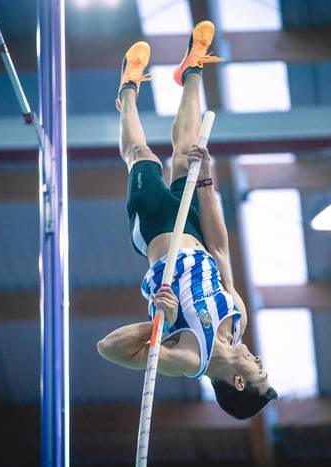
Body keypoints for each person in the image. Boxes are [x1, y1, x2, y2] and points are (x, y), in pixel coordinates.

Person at [97, 20, 277, 420]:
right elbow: (219, 247)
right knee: (188, 153)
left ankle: (127, 91)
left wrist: (162, 322)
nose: (261, 361)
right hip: (194, 226)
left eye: (260, 372)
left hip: (156, 232)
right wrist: (207, 181)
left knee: (142, 155)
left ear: (240, 382)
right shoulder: (238, 316)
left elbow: (109, 348)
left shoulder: (188, 359)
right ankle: (192, 69)